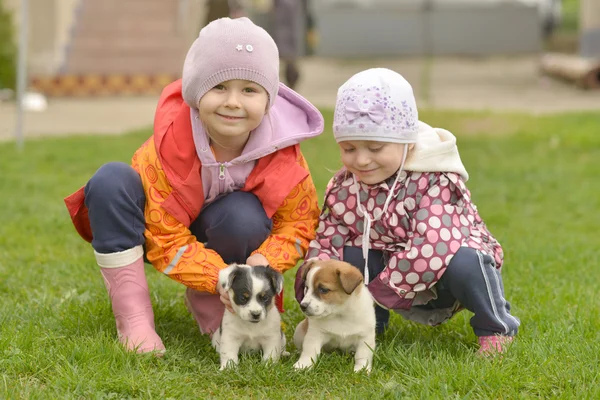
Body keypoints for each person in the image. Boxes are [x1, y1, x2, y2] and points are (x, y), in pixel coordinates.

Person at [65, 17, 324, 354]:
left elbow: (299, 223)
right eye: (218, 87)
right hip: (155, 232)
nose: (233, 101)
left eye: (249, 90)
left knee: (242, 214)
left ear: (268, 99)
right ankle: (134, 319)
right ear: (195, 93)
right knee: (110, 181)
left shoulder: (283, 153)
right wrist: (218, 275)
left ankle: (219, 308)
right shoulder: (168, 144)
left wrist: (264, 260)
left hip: (225, 234)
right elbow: (165, 235)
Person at [294, 68, 520, 355]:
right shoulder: (345, 187)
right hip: (387, 275)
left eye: (376, 147)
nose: (362, 160)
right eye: (349, 148)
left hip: (442, 275)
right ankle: (368, 324)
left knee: (467, 261)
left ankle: (496, 328)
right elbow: (328, 238)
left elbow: (435, 245)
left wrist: (385, 288)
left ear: (408, 143)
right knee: (348, 252)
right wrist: (314, 280)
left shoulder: (435, 179)